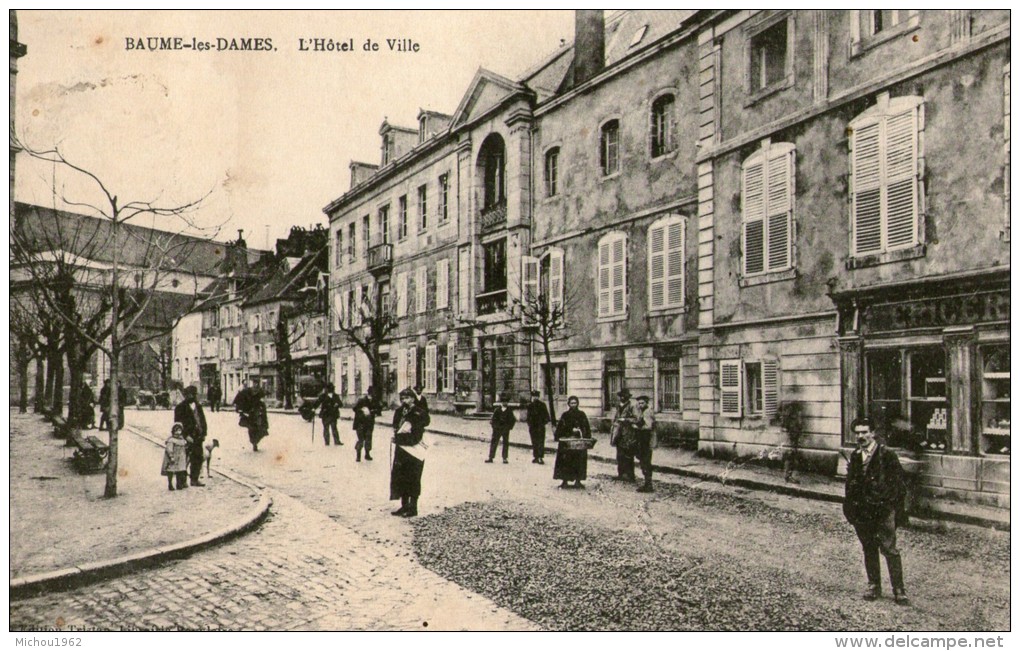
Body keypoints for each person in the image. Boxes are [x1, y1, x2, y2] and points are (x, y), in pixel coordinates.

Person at [843, 417, 908, 604]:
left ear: (873, 433)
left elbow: (898, 484)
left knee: (889, 548)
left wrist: (889, 505)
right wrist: (850, 508)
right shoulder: (856, 456)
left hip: (882, 510)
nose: (861, 436)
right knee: (869, 548)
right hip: (863, 511)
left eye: (864, 432)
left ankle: (899, 589)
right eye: (857, 433)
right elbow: (851, 485)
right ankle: (874, 586)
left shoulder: (886, 454)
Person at [390, 388, 428, 517]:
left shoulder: (419, 412)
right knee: (401, 477)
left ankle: (413, 508)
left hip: (414, 450)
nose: (404, 401)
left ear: (412, 398)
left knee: (414, 478)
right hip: (401, 450)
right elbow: (395, 425)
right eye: (402, 399)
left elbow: (423, 425)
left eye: (406, 398)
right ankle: (404, 505)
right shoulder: (399, 411)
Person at [553, 395, 592, 489]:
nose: (573, 405)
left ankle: (578, 481)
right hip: (567, 442)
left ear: (577, 404)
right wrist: (570, 430)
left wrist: (583, 433)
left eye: (575, 403)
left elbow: (586, 427)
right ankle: (564, 481)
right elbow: (561, 428)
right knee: (565, 461)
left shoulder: (581, 414)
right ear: (569, 404)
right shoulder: (565, 415)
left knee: (579, 461)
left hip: (578, 442)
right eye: (571, 403)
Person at [173, 386, 208, 487]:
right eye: (191, 394)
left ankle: (194, 479)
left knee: (198, 458)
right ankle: (181, 481)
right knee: (183, 459)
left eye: (194, 394)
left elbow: (202, 420)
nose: (193, 396)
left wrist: (204, 433)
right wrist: (185, 436)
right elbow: (178, 425)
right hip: (186, 438)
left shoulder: (198, 406)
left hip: (198, 437)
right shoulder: (180, 408)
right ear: (187, 395)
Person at [611, 389, 638, 481]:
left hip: (628, 434)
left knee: (628, 455)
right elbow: (615, 418)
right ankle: (621, 474)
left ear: (628, 397)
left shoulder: (632, 406)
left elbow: (636, 419)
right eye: (621, 396)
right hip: (618, 433)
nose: (622, 397)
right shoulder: (619, 406)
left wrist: (626, 420)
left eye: (624, 396)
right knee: (619, 455)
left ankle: (630, 475)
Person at [633, 395, 657, 493]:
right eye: (639, 403)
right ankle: (647, 484)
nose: (640, 405)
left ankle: (648, 485)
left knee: (645, 461)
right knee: (644, 461)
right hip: (644, 439)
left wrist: (636, 427)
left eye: (642, 403)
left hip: (646, 440)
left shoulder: (647, 412)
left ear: (646, 403)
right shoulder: (643, 411)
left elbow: (648, 426)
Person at [486, 394, 517, 464]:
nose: (505, 403)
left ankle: (505, 458)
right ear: (501, 402)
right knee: (494, 442)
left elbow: (513, 420)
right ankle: (491, 457)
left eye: (506, 402)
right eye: (503, 401)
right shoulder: (497, 410)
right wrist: (494, 427)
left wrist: (509, 427)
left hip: (505, 430)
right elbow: (492, 420)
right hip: (497, 429)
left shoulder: (509, 411)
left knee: (505, 443)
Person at [237, 385, 270, 452]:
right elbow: (244, 410)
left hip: (257, 420)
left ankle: (255, 442)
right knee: (253, 431)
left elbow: (264, 414)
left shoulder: (261, 404)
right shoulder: (250, 402)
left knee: (258, 431)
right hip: (252, 419)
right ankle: (254, 443)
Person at [353, 386, 380, 462]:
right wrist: (362, 410)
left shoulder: (375, 401)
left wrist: (373, 411)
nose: (373, 396)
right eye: (372, 394)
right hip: (360, 423)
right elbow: (355, 408)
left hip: (370, 423)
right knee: (361, 439)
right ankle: (358, 455)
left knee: (368, 439)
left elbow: (379, 410)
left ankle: (367, 454)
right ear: (369, 393)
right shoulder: (362, 400)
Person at [161, 422, 189, 491]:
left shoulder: (182, 440)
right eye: (176, 430)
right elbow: (169, 449)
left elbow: (185, 447)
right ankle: (170, 484)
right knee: (171, 471)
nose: (178, 432)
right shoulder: (171, 440)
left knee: (180, 471)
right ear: (173, 431)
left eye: (180, 430)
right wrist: (171, 456)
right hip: (173, 457)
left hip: (181, 458)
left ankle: (179, 484)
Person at [526, 390, 551, 465]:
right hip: (532, 427)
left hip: (540, 426)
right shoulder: (530, 406)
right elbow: (528, 416)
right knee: (534, 441)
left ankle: (540, 457)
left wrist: (542, 423)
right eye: (533, 396)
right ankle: (536, 457)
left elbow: (547, 417)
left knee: (540, 441)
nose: (535, 398)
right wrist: (529, 424)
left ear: (538, 397)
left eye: (536, 396)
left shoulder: (542, 405)